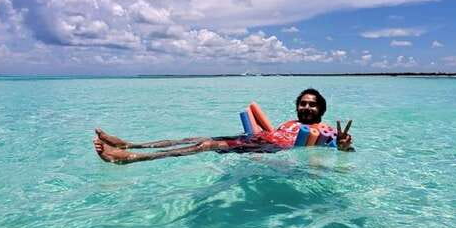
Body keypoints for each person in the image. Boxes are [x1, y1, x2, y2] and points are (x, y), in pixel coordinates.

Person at [93, 88, 353, 164]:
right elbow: (273, 131)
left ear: (321, 109)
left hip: (270, 150)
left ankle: (130, 158)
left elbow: (339, 151)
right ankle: (129, 143)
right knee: (196, 138)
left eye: (312, 105)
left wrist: (343, 148)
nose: (307, 107)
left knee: (205, 146)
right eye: (303, 104)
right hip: (261, 140)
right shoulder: (290, 122)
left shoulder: (327, 130)